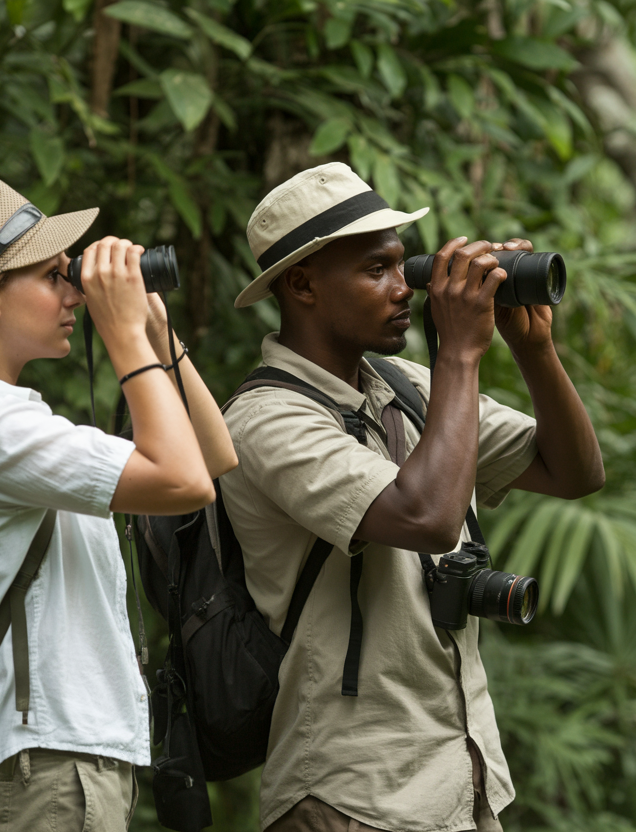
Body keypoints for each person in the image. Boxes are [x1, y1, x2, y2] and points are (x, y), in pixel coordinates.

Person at [219, 162, 605, 832]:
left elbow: (573, 472)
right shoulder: (265, 420)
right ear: (303, 284)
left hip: (461, 779)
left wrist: (534, 349)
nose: (405, 290)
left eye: (406, 265)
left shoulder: (405, 386)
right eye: (376, 270)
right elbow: (425, 517)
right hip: (350, 797)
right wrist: (459, 354)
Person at [0, 176, 238, 831]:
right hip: (27, 776)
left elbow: (212, 459)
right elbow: (185, 481)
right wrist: (122, 330)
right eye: (52, 275)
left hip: (46, 769)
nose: (75, 293)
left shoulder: (7, 426)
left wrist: (153, 333)